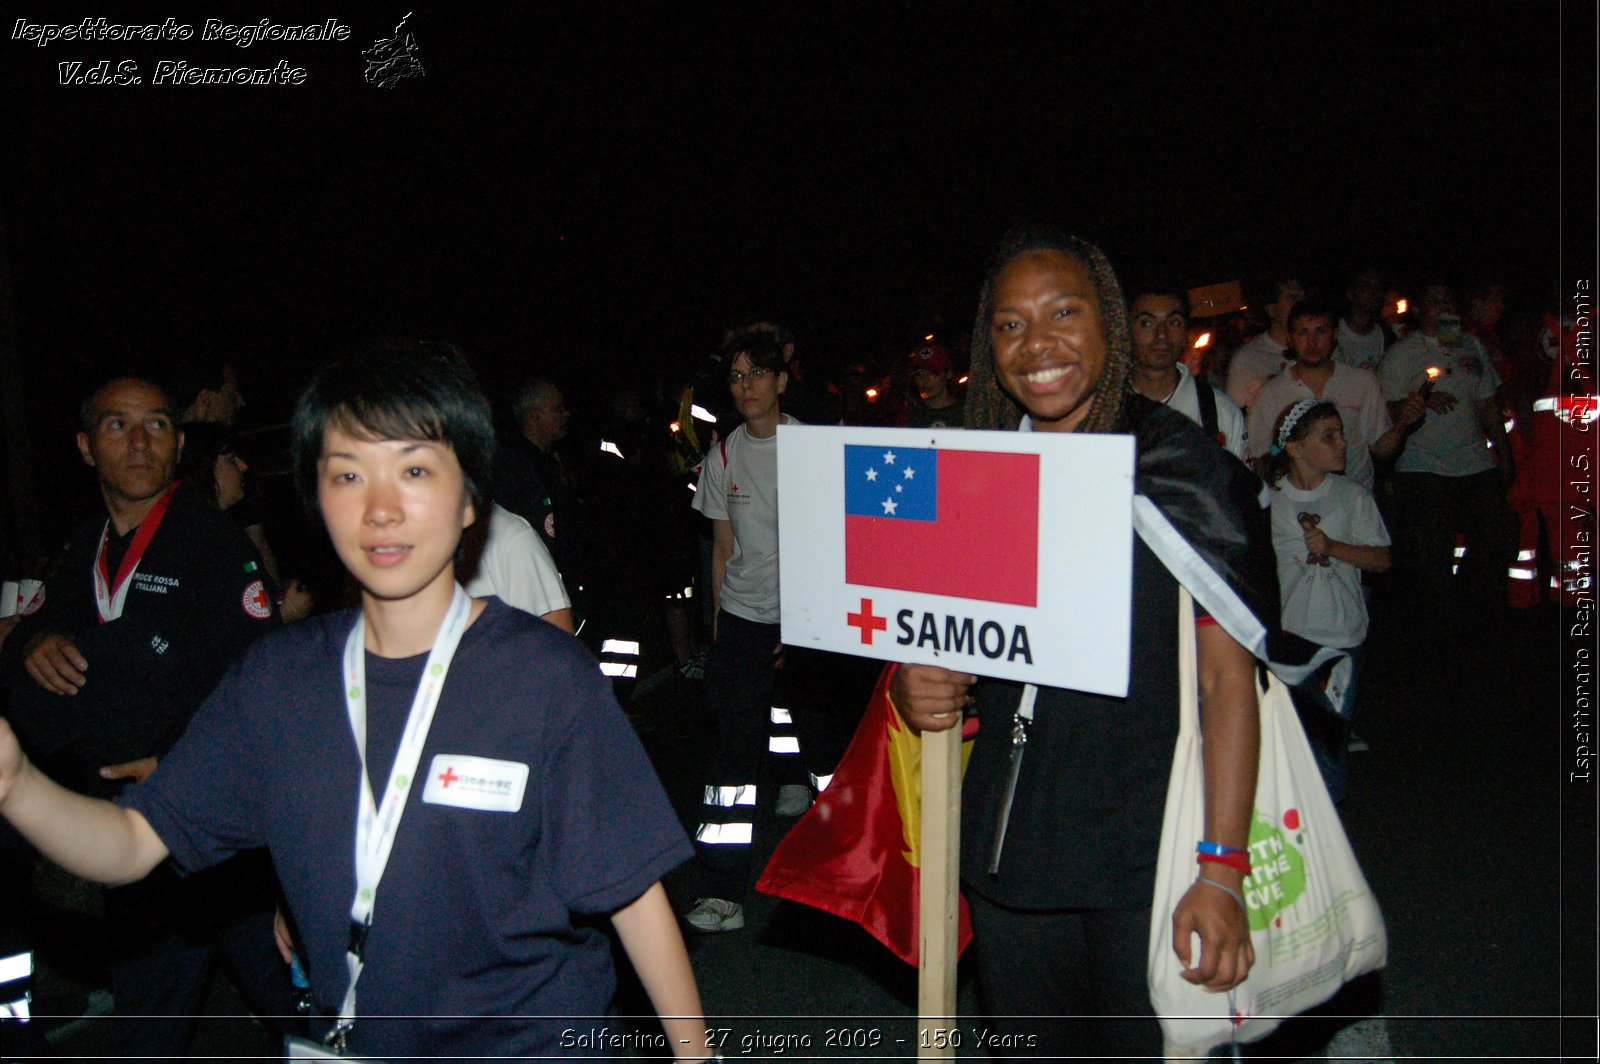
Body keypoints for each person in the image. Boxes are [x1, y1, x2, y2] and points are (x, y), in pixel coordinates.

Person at [0, 354, 712, 1061]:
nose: (379, 508)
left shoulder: (545, 677)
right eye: (347, 474)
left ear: (469, 499)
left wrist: (694, 1055)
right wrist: (19, 786)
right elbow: (129, 845)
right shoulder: (277, 682)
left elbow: (632, 895)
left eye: (414, 470)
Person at [892, 228, 1317, 1057]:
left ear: (1108, 325)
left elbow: (1231, 686)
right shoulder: (975, 473)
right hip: (1010, 862)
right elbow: (946, 644)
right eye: (1010, 324)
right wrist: (919, 684)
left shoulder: (1181, 471)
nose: (1037, 344)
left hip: (1148, 866)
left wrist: (1221, 870)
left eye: (1062, 312)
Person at [0, 375, 293, 1058]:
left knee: (289, 996)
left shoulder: (213, 545)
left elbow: (265, 685)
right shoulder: (86, 548)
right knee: (151, 1014)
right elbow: (32, 643)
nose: (139, 442)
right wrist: (33, 642)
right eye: (116, 426)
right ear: (84, 446)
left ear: (178, 441)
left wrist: (184, 763)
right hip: (132, 831)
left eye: (157, 425)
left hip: (218, 827)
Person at [685, 330, 829, 933]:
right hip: (744, 619)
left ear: (781, 381)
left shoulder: (815, 448)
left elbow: (836, 544)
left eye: (756, 374)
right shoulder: (722, 454)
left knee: (828, 754)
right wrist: (722, 624)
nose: (745, 386)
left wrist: (810, 618)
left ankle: (837, 886)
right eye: (736, 377)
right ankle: (722, 891)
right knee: (733, 756)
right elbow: (722, 547)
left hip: (811, 622)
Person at [1262, 400, 1392, 802]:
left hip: (1341, 636)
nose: (1342, 444)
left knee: (1330, 741)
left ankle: (1327, 835)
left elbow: (1382, 558)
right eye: (1328, 436)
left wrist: (1334, 546)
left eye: (1341, 434)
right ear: (1297, 450)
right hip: (1291, 637)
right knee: (1293, 738)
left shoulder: (1351, 495)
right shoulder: (1271, 501)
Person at [1379, 280, 1517, 619]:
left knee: (1501, 533)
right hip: (1423, 464)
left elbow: (1488, 404)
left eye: (1448, 301)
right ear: (1420, 309)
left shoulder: (1470, 346)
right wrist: (1420, 402)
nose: (1444, 308)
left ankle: (1468, 601)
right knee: (1431, 547)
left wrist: (1506, 453)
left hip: (1472, 460)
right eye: (1435, 301)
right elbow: (1383, 410)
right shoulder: (1402, 353)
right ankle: (1440, 624)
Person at [1246, 297, 1421, 494]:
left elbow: (1380, 448)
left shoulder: (1362, 381)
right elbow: (1259, 456)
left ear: (1335, 335)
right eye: (1302, 333)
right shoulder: (1271, 393)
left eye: (1321, 331)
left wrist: (1404, 424)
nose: (1312, 342)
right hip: (1298, 503)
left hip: (1355, 497)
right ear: (1291, 339)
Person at [1128, 285, 1247, 459]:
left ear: (1185, 333)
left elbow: (1240, 484)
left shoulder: (1219, 412)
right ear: (1127, 331)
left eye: (1173, 323)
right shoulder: (1102, 408)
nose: (1161, 334)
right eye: (1147, 323)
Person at [1225, 274, 1305, 410]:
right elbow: (1234, 413)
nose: (1301, 306)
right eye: (1293, 298)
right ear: (1272, 310)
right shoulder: (1247, 358)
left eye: (1303, 298)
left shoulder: (1319, 350)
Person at [903, 342, 966, 429]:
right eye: (919, 374)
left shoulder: (967, 414)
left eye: (932, 372)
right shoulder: (908, 418)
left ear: (948, 374)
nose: (925, 380)